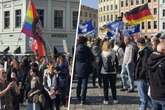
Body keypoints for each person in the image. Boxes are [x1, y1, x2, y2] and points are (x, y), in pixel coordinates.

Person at [134, 38, 153, 110]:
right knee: (145, 95)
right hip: (141, 76)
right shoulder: (142, 50)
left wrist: (139, 75)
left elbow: (144, 66)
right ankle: (154, 107)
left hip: (142, 77)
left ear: (139, 44)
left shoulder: (145, 51)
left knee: (143, 97)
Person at [75, 36, 94, 104]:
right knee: (84, 85)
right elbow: (92, 58)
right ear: (84, 42)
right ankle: (83, 100)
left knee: (79, 83)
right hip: (85, 68)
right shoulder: (86, 48)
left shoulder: (76, 48)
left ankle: (77, 96)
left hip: (78, 68)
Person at [147, 42, 165, 110]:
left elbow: (147, 76)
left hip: (154, 94)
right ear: (163, 50)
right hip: (162, 95)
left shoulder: (150, 59)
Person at [100, 40, 118, 105]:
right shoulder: (113, 52)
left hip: (104, 72)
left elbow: (100, 63)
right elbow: (116, 62)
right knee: (113, 86)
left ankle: (106, 100)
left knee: (105, 87)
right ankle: (115, 99)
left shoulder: (102, 53)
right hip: (113, 71)